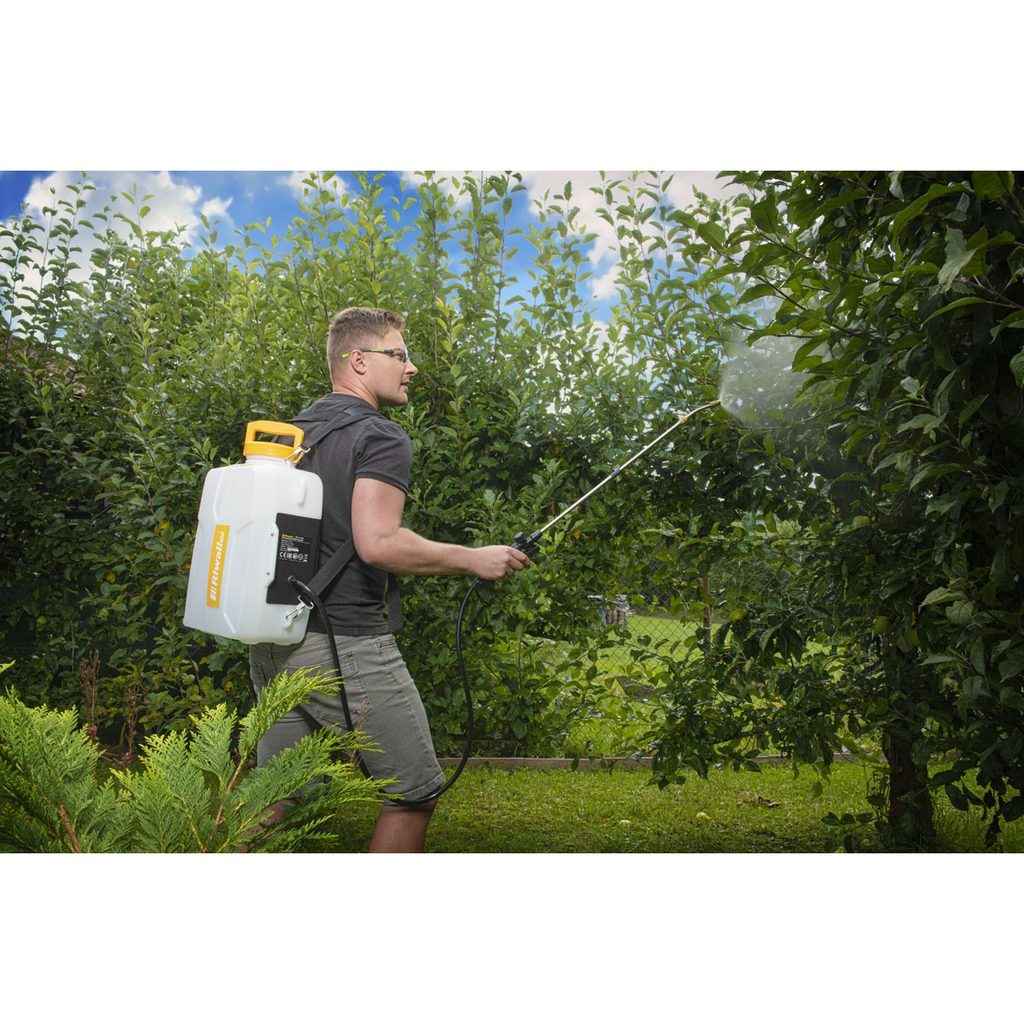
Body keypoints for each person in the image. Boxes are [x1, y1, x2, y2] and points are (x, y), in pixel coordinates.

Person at [249, 306, 530, 852]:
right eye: (399, 354)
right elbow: (377, 543)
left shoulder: (294, 434)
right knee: (414, 792)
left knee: (277, 796)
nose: (411, 367)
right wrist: (474, 559)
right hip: (345, 644)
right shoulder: (380, 436)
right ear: (358, 360)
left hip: (274, 639)